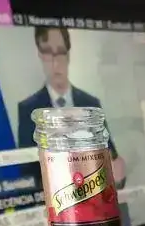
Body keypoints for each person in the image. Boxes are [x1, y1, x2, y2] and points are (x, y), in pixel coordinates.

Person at [17, 26, 125, 184]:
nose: (55, 62)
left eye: (60, 52)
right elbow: (28, 176)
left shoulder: (91, 104)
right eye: (47, 52)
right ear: (40, 55)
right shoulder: (28, 110)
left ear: (68, 55)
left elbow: (113, 163)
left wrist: (116, 171)